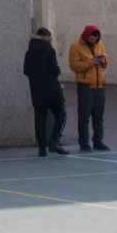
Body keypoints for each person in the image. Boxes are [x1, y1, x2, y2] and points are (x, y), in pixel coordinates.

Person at [23, 28, 68, 156]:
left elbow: (26, 71)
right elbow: (54, 69)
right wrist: (57, 70)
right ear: (47, 38)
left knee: (40, 119)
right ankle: (54, 140)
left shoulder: (29, 52)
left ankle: (41, 148)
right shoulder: (49, 51)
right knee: (61, 114)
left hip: (36, 90)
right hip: (51, 89)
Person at [68, 25, 109, 152]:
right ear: (86, 35)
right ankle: (84, 143)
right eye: (92, 38)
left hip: (100, 85)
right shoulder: (75, 47)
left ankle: (98, 141)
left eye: (96, 38)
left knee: (98, 116)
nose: (93, 40)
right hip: (85, 86)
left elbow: (106, 61)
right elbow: (74, 66)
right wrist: (92, 62)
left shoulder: (100, 44)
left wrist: (103, 61)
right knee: (84, 116)